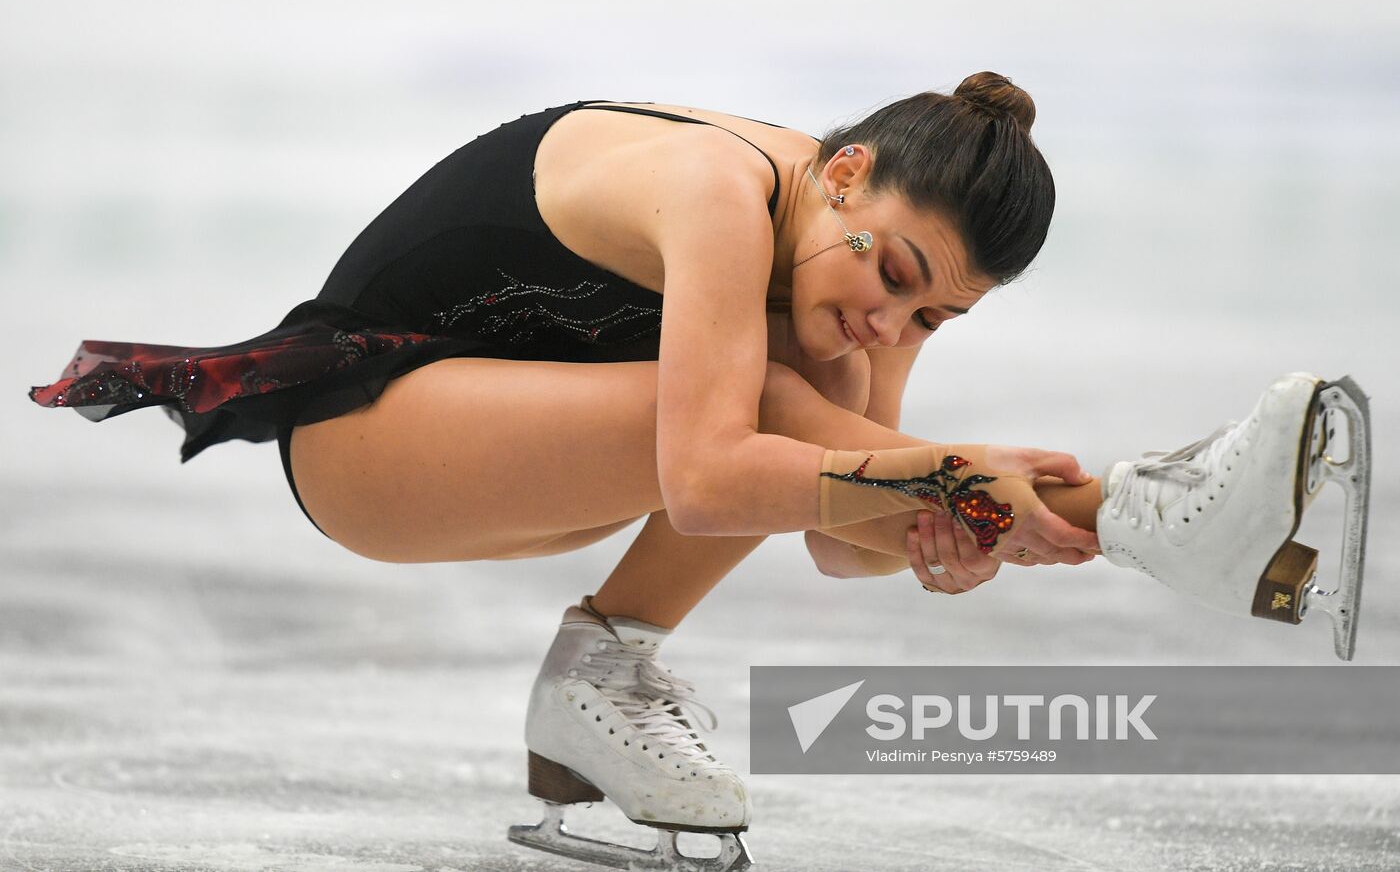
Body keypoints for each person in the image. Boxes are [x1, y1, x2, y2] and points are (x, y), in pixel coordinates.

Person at [27, 72, 1369, 872]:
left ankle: (598, 677)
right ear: (845, 175)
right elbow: (727, 475)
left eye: (934, 321)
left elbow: (840, 531)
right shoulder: (718, 190)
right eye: (896, 278)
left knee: (811, 410)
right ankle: (1158, 518)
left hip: (521, 454)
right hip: (361, 430)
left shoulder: (844, 285)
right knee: (773, 412)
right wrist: (945, 474)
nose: (893, 326)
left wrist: (953, 528)